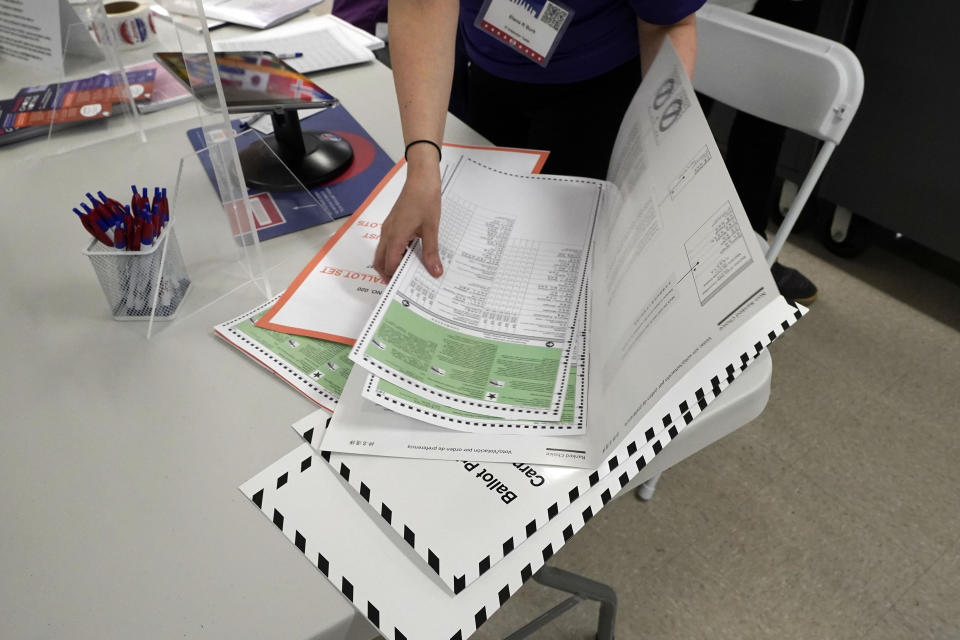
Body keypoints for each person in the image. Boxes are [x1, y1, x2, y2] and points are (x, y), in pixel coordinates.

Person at [373, 0, 706, 282]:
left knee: (585, 258)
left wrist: (653, 149)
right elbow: (421, 6)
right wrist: (422, 166)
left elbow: (668, 23)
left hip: (601, 91)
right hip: (490, 69)